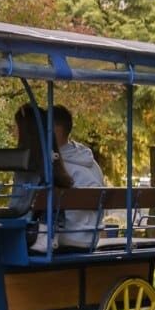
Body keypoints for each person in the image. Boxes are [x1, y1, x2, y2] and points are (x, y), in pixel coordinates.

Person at [52, 105, 104, 245]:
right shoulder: (91, 162)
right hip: (92, 238)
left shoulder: (55, 165)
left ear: (56, 130)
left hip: (67, 238)